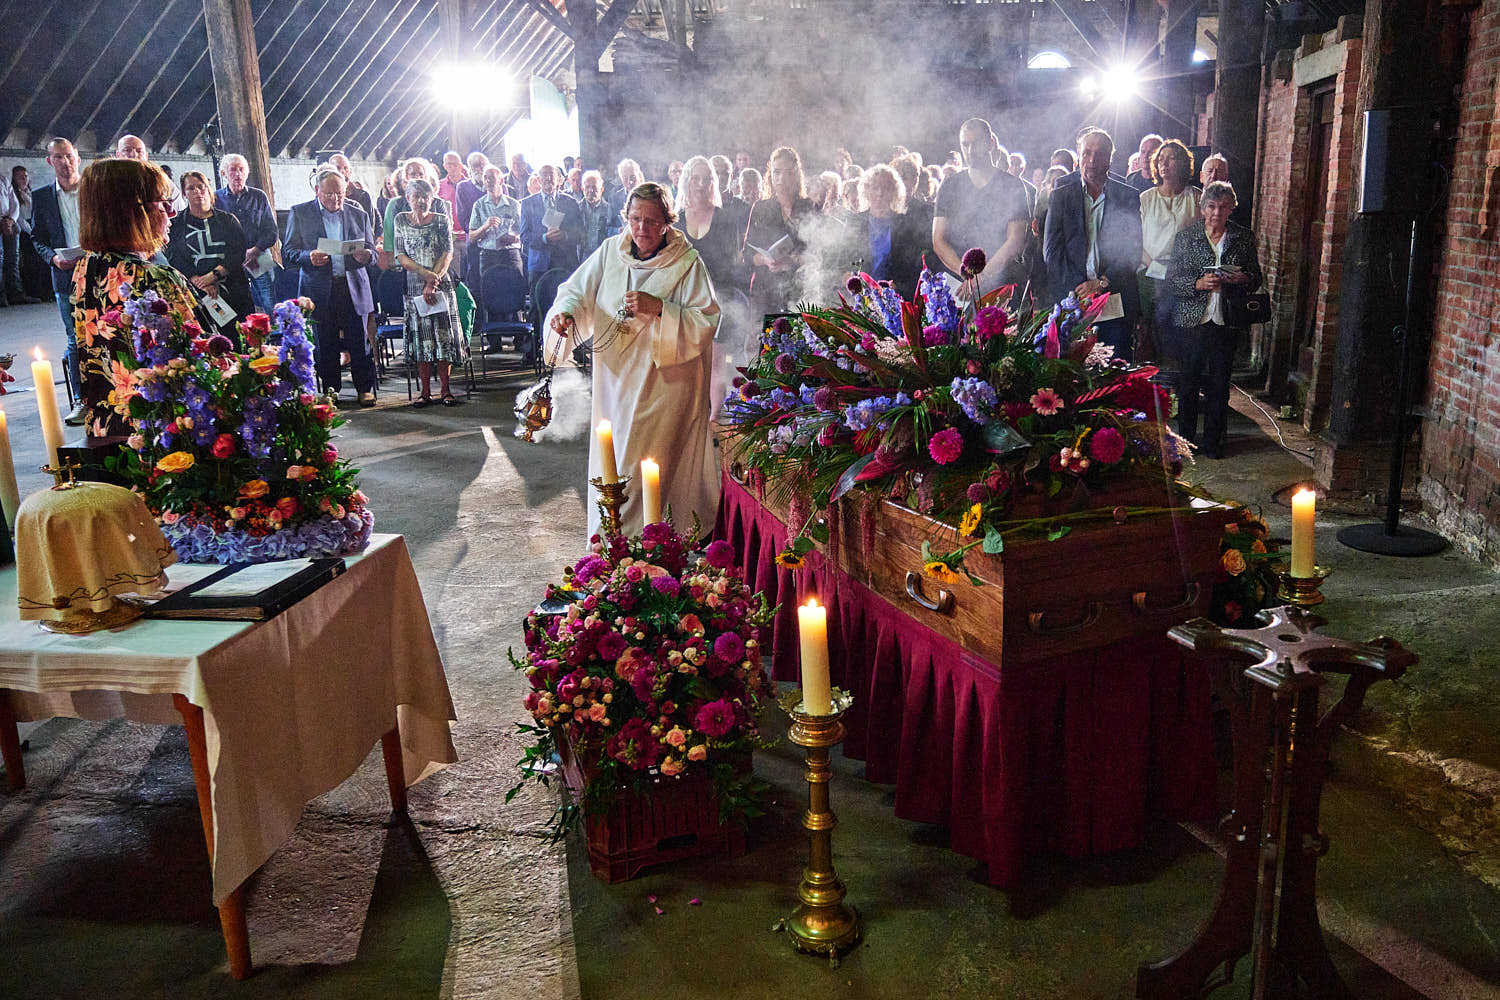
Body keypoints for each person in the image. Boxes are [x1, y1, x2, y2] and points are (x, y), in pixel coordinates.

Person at [544, 181, 721, 538]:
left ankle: (641, 546)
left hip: (663, 385)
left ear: (668, 222)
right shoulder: (611, 251)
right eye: (635, 219)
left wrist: (660, 309)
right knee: (615, 463)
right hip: (615, 381)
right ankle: (613, 545)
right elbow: (577, 291)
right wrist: (566, 313)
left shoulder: (686, 263)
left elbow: (706, 319)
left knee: (644, 468)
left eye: (652, 221)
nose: (641, 228)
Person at [71, 157, 199, 440]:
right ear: (133, 211)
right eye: (163, 203)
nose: (171, 213)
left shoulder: (84, 270)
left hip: (106, 430)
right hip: (160, 436)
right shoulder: (156, 277)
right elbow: (199, 359)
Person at [1166, 181, 1262, 458]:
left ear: (1232, 208)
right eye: (1211, 207)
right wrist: (1197, 284)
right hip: (1192, 321)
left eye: (1223, 207)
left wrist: (1242, 279)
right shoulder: (1186, 237)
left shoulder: (1243, 238)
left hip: (1226, 320)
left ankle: (1213, 443)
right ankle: (1185, 441)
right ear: (1202, 208)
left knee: (1220, 385)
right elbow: (1171, 280)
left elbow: (1255, 277)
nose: (1216, 213)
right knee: (1188, 383)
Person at [1043, 128, 1144, 361]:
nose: (1092, 160)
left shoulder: (1127, 196)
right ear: (1078, 156)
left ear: (1110, 158)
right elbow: (1052, 252)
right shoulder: (1061, 195)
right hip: (1071, 297)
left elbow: (1132, 250)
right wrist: (1081, 288)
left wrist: (1100, 284)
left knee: (1113, 366)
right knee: (1071, 369)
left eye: (1099, 154)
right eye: (1087, 153)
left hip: (1113, 297)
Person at [284, 166, 378, 406]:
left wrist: (366, 255)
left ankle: (364, 389)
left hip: (352, 287)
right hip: (319, 289)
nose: (335, 199)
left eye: (340, 194)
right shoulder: (300, 213)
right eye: (329, 194)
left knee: (360, 342)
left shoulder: (359, 214)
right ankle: (331, 391)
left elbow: (373, 253)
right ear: (317, 190)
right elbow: (288, 252)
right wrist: (308, 256)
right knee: (325, 343)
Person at [932, 118, 1031, 295]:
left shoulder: (1013, 186)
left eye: (976, 143)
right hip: (960, 285)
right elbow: (938, 240)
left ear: (990, 143)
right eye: (965, 144)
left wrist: (983, 276)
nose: (970, 151)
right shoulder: (949, 186)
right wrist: (965, 273)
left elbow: (1016, 239)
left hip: (1002, 284)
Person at [394, 178, 468, 408]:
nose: (421, 201)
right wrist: (424, 274)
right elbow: (400, 254)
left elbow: (447, 253)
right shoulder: (400, 220)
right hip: (415, 284)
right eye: (416, 196)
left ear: (432, 198)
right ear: (408, 198)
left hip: (440, 284)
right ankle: (425, 392)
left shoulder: (441, 219)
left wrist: (433, 280)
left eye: (425, 196)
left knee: (442, 337)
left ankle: (446, 390)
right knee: (422, 339)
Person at [28, 138, 88, 422]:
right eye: (58, 157)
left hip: (100, 271)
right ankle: (80, 400)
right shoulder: (41, 197)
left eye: (69, 156)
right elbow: (37, 238)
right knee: (75, 339)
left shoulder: (93, 189)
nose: (65, 163)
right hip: (65, 275)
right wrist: (53, 258)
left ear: (78, 158)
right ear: (49, 161)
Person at [166, 170, 253, 343]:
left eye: (201, 186)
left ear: (209, 189)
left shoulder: (228, 220)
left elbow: (237, 252)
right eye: (191, 188)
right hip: (197, 293)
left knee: (240, 341)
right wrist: (199, 282)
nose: (197, 191)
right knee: (206, 343)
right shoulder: (176, 225)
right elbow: (175, 257)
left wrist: (213, 276)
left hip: (233, 289)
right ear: (184, 193)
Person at [1138, 140, 1201, 364]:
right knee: (1159, 316)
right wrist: (1156, 268)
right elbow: (1136, 242)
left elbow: (1205, 238)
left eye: (1171, 158)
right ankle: (1161, 368)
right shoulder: (1146, 198)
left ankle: (1177, 369)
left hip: (1185, 271)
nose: (1164, 163)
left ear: (1183, 163)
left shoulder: (1196, 198)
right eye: (1160, 159)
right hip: (1151, 269)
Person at [745, 146, 816, 313]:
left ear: (796, 175)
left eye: (788, 173)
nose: (781, 179)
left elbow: (818, 254)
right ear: (770, 175)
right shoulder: (760, 208)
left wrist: (793, 260)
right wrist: (766, 260)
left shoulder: (809, 207)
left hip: (802, 290)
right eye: (776, 172)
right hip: (765, 291)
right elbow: (746, 255)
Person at [213, 153, 279, 314]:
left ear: (247, 173)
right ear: (224, 173)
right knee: (239, 302)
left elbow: (271, 231)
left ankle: (274, 330)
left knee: (270, 301)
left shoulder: (259, 196)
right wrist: (239, 255)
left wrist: (255, 250)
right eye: (233, 169)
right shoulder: (215, 198)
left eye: (242, 169)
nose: (238, 174)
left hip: (259, 256)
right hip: (231, 260)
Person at [847, 163, 920, 296]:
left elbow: (913, 269)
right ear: (867, 191)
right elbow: (842, 262)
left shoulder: (905, 224)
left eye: (886, 188)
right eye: (875, 187)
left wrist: (897, 286)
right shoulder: (854, 222)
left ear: (894, 192)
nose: (880, 193)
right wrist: (849, 278)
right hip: (859, 298)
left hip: (894, 297)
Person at [677, 155, 746, 293]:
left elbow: (731, 266)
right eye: (695, 178)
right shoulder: (676, 221)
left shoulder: (726, 219)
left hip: (719, 292)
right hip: (683, 292)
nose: (701, 184)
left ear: (712, 183)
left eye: (706, 179)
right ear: (686, 181)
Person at [520, 164, 583, 278]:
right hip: (539, 265)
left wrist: (565, 235)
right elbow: (524, 237)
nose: (548, 178)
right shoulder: (527, 203)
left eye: (552, 175)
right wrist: (544, 238)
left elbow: (580, 233)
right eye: (544, 175)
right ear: (539, 180)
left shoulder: (570, 202)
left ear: (558, 179)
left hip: (566, 263)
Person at [467, 165, 523, 276]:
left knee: (516, 285)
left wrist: (514, 238)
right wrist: (485, 226)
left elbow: (524, 233)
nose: (488, 180)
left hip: (510, 254)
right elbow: (472, 237)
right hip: (488, 255)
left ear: (501, 181)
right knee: (489, 286)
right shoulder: (479, 205)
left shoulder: (514, 205)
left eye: (492, 177)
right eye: (485, 177)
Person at [0, 167, 39, 306]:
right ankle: (1, 296)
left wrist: (10, 219)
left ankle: (16, 293)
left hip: (9, 221)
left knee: (13, 260)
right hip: (2, 220)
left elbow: (14, 203)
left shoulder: (3, 180)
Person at [578, 170, 618, 257]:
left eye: (594, 187)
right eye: (587, 187)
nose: (591, 190)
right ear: (582, 189)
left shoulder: (611, 209)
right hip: (582, 256)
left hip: (604, 255)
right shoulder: (577, 209)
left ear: (602, 189)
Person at [327, 153, 376, 224]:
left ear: (350, 172)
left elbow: (369, 225)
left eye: (345, 168)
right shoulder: (324, 197)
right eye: (338, 168)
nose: (342, 171)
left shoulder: (363, 196)